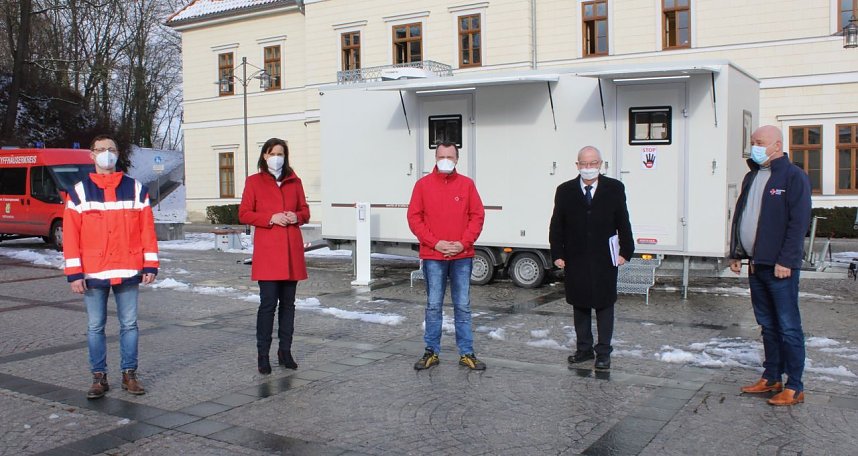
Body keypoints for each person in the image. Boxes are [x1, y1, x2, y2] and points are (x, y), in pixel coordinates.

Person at [63, 134, 158, 399]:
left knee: (129, 325)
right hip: (94, 272)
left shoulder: (137, 189)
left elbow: (147, 230)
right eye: (101, 149)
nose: (107, 153)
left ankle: (129, 374)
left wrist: (150, 264)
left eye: (112, 149)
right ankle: (98, 377)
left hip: (128, 269)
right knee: (95, 327)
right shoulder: (79, 192)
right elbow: (70, 236)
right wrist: (74, 273)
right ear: (91, 155)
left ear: (118, 154)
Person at [729, 125, 811, 406]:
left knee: (788, 326)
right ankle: (771, 376)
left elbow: (798, 223)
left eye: (759, 142)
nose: (755, 146)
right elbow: (742, 216)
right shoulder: (752, 177)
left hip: (780, 267)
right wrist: (736, 252)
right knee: (767, 324)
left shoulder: (793, 177)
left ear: (777, 145)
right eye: (753, 142)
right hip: (757, 263)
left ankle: (795, 385)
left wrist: (786, 260)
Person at [549, 146, 634, 371]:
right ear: (577, 165)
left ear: (600, 164)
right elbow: (557, 224)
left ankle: (603, 352)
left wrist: (626, 250)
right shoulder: (565, 190)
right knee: (580, 304)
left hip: (605, 257)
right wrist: (557, 253)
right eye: (584, 164)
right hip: (575, 257)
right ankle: (584, 348)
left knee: (605, 305)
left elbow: (623, 221)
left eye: (593, 163)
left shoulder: (615, 188)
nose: (589, 168)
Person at [407, 141, 487, 371]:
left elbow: (477, 216)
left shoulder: (467, 185)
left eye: (450, 156)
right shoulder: (422, 186)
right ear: (435, 158)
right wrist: (436, 243)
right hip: (434, 256)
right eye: (441, 156)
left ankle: (467, 352)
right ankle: (431, 351)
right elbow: (414, 218)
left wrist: (462, 244)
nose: (445, 160)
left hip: (462, 256)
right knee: (433, 305)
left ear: (457, 159)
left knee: (463, 305)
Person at [239, 138, 309, 374]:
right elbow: (245, 213)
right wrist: (270, 218)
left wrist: (296, 216)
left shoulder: (294, 181)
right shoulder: (254, 182)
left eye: (280, 153)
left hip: (291, 254)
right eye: (272, 153)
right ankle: (263, 354)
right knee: (268, 305)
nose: (276, 157)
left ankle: (285, 351)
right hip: (268, 255)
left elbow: (306, 211)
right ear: (264, 156)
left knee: (288, 305)